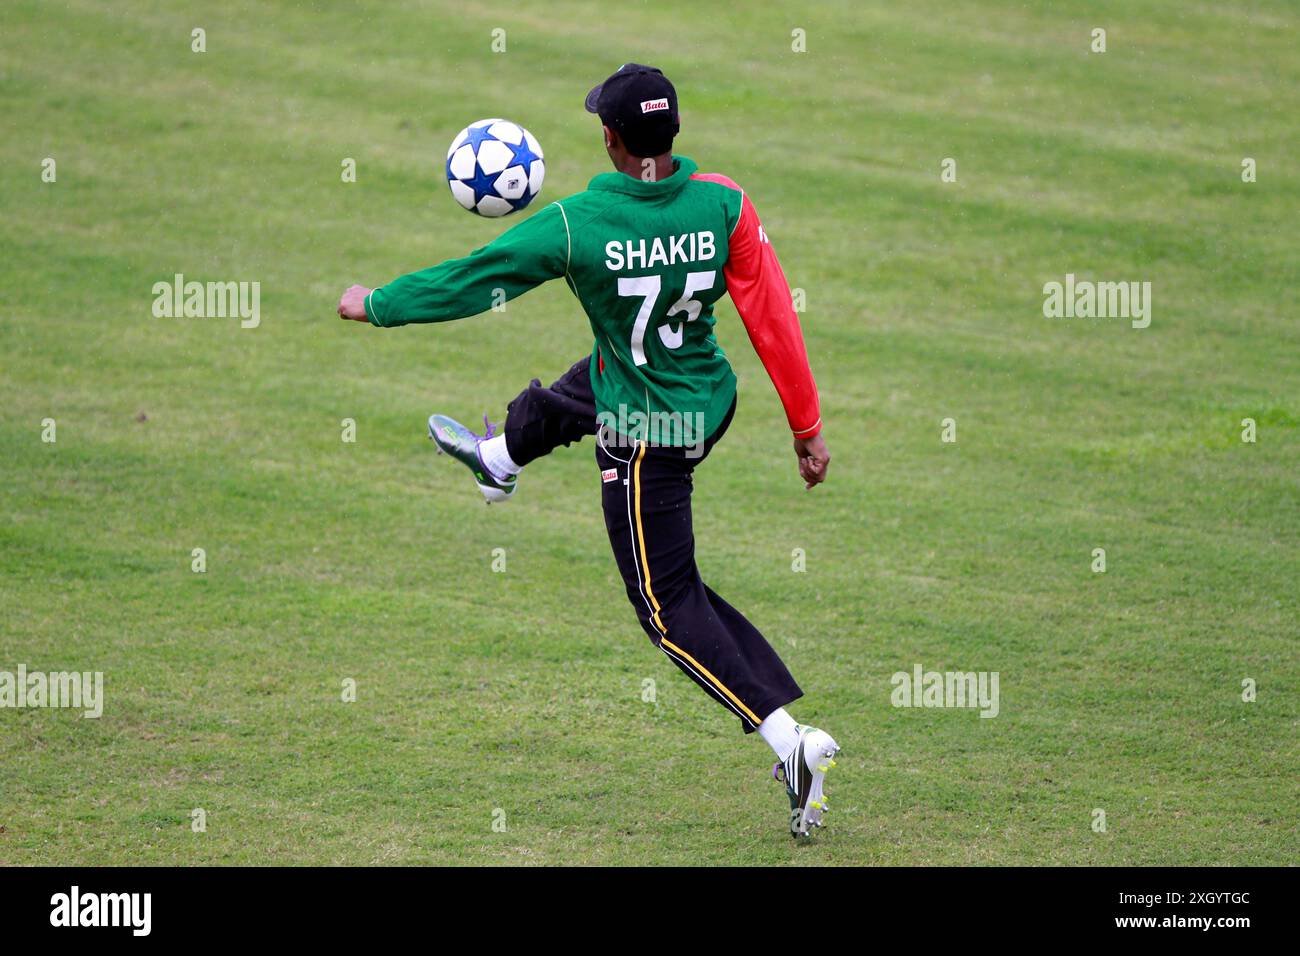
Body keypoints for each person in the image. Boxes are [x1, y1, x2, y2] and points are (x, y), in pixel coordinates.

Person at [338, 63, 839, 838]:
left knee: (669, 608)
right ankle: (501, 455)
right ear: (673, 133)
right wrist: (806, 429)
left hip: (647, 440)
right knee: (601, 373)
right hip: (706, 402)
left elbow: (477, 278)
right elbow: (771, 315)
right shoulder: (725, 202)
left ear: (610, 139)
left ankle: (791, 745)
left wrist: (377, 305)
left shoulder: (578, 223)